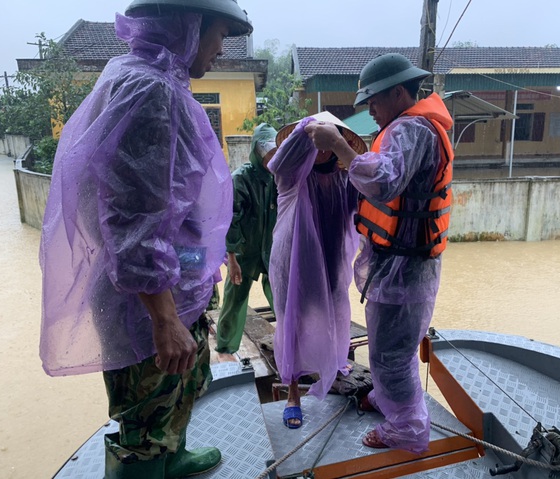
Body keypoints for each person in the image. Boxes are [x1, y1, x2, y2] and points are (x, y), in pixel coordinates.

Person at [38, 1, 252, 477]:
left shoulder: (144, 78)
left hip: (170, 285)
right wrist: (164, 318)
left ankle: (173, 459)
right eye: (219, 34)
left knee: (178, 393)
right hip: (147, 300)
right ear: (187, 26)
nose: (220, 48)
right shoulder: (151, 92)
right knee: (144, 425)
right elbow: (134, 217)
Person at [304, 53, 454, 453]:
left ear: (400, 92)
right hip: (395, 265)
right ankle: (390, 401)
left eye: (373, 101)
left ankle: (408, 429)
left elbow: (384, 181)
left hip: (406, 268)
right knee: (389, 348)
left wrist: (339, 145)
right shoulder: (406, 128)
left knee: (392, 356)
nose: (369, 110)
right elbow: (386, 174)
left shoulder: (413, 129)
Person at [268, 112, 367, 428]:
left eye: (327, 141)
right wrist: (306, 129)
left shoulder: (344, 179)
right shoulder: (292, 177)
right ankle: (293, 394)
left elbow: (367, 196)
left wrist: (340, 146)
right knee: (293, 323)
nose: (320, 147)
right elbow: (278, 163)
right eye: (314, 141)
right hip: (293, 264)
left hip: (331, 260)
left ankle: (336, 363)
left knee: (337, 313)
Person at [216, 123, 278, 358]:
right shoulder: (240, 179)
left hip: (271, 250)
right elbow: (230, 220)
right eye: (269, 154)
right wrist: (231, 258)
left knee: (282, 297)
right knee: (235, 299)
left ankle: (291, 342)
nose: (273, 159)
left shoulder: (278, 178)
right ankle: (225, 348)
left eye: (276, 153)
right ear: (257, 152)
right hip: (244, 250)